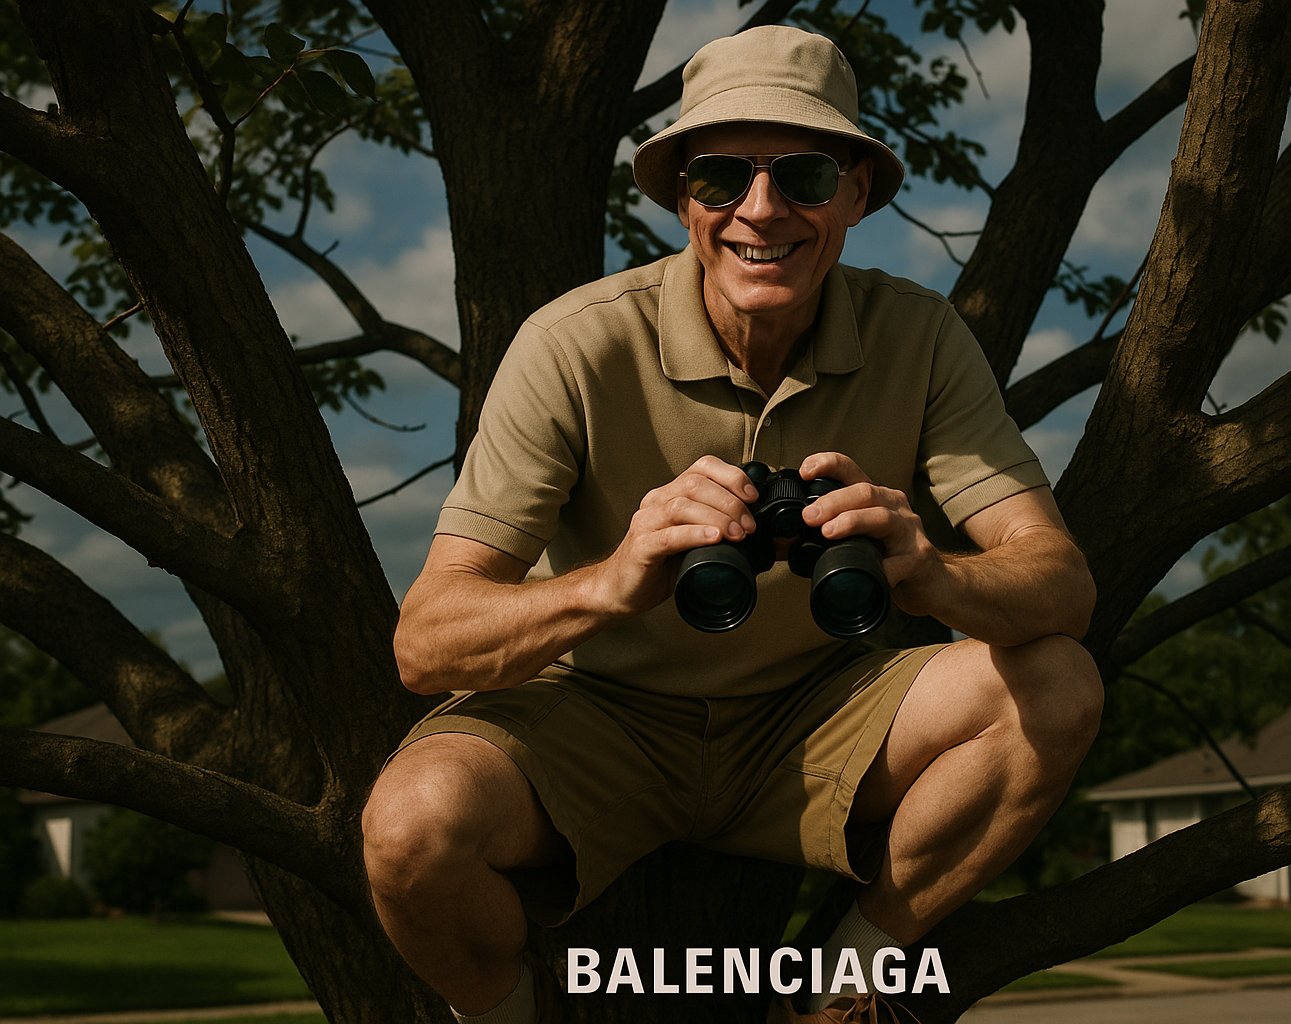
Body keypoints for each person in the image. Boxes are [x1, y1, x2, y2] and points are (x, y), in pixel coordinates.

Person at [361, 24, 1101, 1024]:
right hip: (597, 716)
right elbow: (425, 641)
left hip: (817, 712)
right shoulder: (576, 345)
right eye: (719, 178)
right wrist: (615, 578)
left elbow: (1061, 583)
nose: (762, 208)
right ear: (682, 201)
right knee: (409, 828)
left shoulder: (918, 335)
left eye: (801, 173)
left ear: (855, 193)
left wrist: (934, 576)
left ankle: (846, 986)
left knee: (1056, 682)